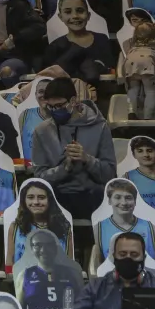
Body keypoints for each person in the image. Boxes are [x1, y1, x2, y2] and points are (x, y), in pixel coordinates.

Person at [31, 77, 116, 218]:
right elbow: (39, 178)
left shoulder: (100, 126)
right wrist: (65, 168)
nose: (54, 111)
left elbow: (109, 174)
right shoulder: (41, 131)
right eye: (50, 107)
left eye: (59, 106)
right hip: (57, 194)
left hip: (92, 195)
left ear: (73, 101)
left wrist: (87, 160)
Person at [44, 0, 113, 87]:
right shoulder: (56, 46)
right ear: (60, 17)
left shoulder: (102, 40)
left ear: (88, 15)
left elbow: (111, 69)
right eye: (68, 12)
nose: (75, 16)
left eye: (80, 10)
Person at [16, 228, 83, 309]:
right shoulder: (24, 276)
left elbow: (82, 307)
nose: (44, 250)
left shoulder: (72, 274)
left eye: (49, 245)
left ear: (55, 248)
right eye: (38, 245)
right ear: (31, 249)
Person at [94, 179, 155, 266]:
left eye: (128, 198)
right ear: (109, 201)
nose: (123, 203)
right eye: (117, 197)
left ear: (135, 201)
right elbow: (98, 267)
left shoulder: (150, 228)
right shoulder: (99, 229)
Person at [7, 180, 73, 267]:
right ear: (24, 200)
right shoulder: (15, 227)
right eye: (30, 197)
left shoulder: (64, 228)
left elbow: (69, 265)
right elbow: (9, 263)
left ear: (50, 201)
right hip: (22, 278)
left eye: (41, 197)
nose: (36, 202)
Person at [123, 20, 155, 120]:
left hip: (131, 60)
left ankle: (131, 112)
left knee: (133, 89)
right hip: (147, 62)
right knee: (150, 91)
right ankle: (148, 116)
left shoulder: (132, 47)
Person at [18, 79, 50, 161]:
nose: (45, 95)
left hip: (52, 171)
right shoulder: (25, 115)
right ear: (36, 95)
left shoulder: (60, 117)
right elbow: (17, 144)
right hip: (28, 170)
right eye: (41, 92)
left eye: (48, 91)